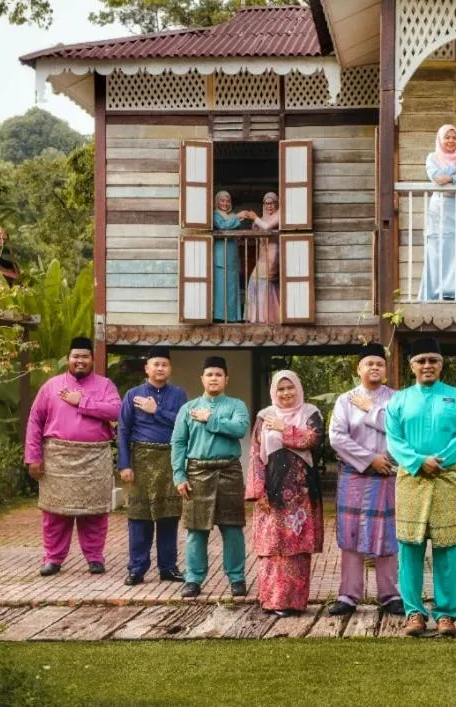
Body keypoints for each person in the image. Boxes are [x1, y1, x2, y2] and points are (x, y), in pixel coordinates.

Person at [385, 338, 456, 637]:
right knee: (409, 546)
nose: (427, 366)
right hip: (411, 478)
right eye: (421, 360)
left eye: (432, 360)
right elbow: (393, 440)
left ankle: (446, 614)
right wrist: (418, 461)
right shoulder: (398, 400)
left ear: (441, 364)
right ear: (411, 365)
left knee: (447, 547)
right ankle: (414, 613)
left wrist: (441, 461)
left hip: (446, 478)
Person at [25, 336, 121, 577]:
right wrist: (33, 457)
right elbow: (35, 422)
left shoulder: (105, 385)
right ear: (68, 359)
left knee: (95, 512)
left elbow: (117, 410)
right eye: (76, 356)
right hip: (58, 456)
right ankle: (53, 559)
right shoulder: (51, 386)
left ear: (92, 360)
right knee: (55, 513)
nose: (80, 361)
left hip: (94, 457)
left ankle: (95, 558)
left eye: (85, 357)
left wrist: (83, 402)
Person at [327, 343, 403, 617]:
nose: (374, 368)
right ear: (358, 369)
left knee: (388, 535)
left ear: (385, 369)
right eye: (369, 363)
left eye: (379, 364)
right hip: (355, 476)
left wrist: (371, 409)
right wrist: (370, 458)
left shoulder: (396, 399)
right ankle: (348, 595)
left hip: (387, 474)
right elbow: (337, 437)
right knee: (351, 535)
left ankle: (390, 594)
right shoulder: (345, 400)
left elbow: (400, 432)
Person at [170, 356, 251, 599]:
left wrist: (210, 418)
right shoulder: (188, 408)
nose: (214, 378)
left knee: (233, 528)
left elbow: (239, 429)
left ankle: (236, 578)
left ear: (226, 379)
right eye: (209, 374)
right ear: (202, 378)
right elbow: (178, 442)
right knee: (196, 530)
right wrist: (179, 475)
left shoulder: (237, 405)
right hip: (197, 472)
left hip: (229, 470)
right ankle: (193, 579)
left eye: (218, 374)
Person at [247, 370, 325, 616]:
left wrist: (285, 429)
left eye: (290, 388)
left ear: (299, 388)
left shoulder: (311, 413)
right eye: (280, 389)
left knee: (296, 549)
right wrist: (258, 491)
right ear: (274, 392)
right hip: (272, 490)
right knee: (272, 548)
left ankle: (294, 603)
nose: (286, 393)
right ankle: (272, 601)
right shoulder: (264, 416)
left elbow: (315, 441)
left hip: (301, 492)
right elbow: (255, 454)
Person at [117, 346, 189, 586]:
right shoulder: (132, 394)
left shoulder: (179, 395)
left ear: (170, 368)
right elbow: (124, 430)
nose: (160, 368)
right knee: (140, 517)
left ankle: (168, 567)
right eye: (155, 364)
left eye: (164, 364)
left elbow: (183, 424)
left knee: (169, 515)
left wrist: (156, 411)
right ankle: (137, 568)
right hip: (141, 459)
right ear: (147, 368)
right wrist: (125, 464)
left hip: (170, 458)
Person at [418, 124, 456, 302]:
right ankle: (436, 293)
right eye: (447, 137)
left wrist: (450, 179)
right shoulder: (433, 157)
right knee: (438, 252)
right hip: (440, 212)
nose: (451, 141)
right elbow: (436, 179)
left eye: (454, 137)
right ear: (440, 139)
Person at [244, 192, 282, 324]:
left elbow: (267, 227)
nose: (269, 206)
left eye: (272, 203)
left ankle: (262, 317)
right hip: (262, 257)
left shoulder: (279, 215)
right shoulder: (263, 218)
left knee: (261, 282)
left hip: (273, 256)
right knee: (255, 281)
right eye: (266, 203)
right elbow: (258, 232)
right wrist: (254, 222)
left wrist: (255, 218)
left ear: (276, 204)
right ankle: (257, 317)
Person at [212, 190, 247, 322]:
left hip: (232, 254)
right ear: (217, 202)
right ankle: (220, 317)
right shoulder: (215, 215)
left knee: (232, 288)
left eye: (227, 201)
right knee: (221, 287)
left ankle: (232, 316)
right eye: (222, 200)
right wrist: (237, 216)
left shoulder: (231, 215)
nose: (225, 203)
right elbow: (223, 226)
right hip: (221, 255)